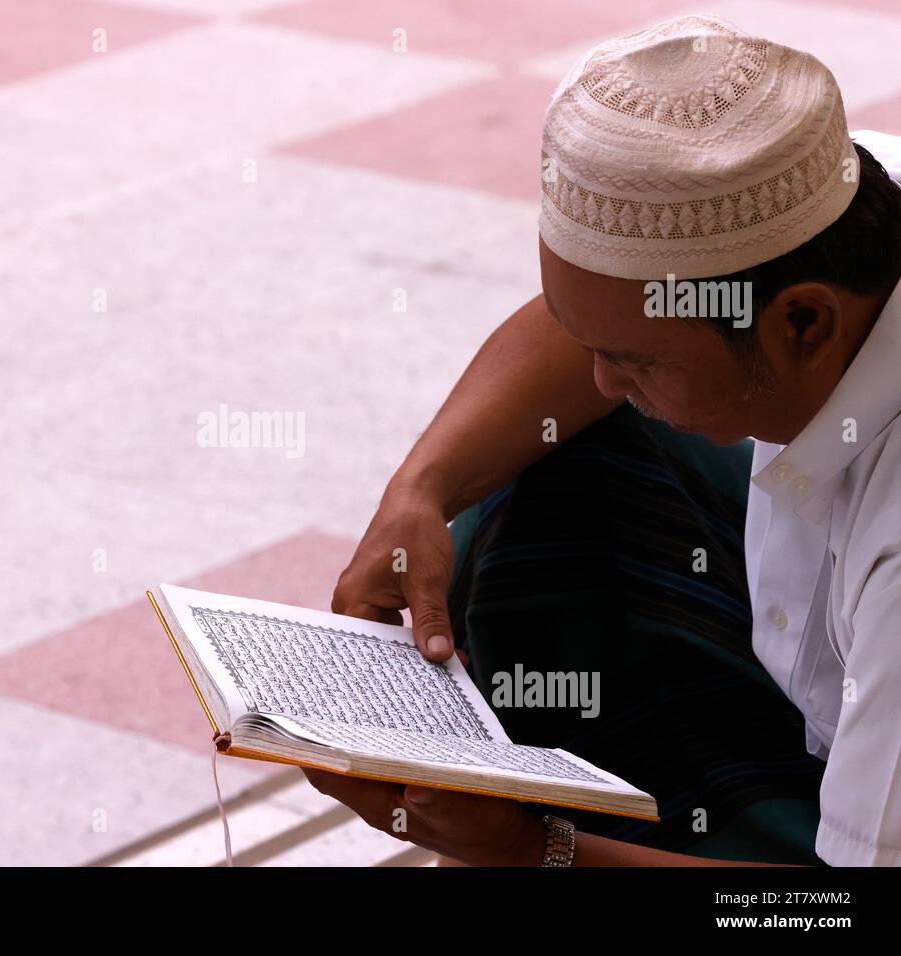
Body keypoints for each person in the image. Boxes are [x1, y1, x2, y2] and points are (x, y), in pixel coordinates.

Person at [302, 15, 901, 866]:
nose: (601, 381)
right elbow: (588, 329)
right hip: (824, 693)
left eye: (634, 359)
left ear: (802, 321)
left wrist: (533, 849)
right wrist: (421, 493)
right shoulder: (842, 193)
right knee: (550, 465)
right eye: (590, 340)